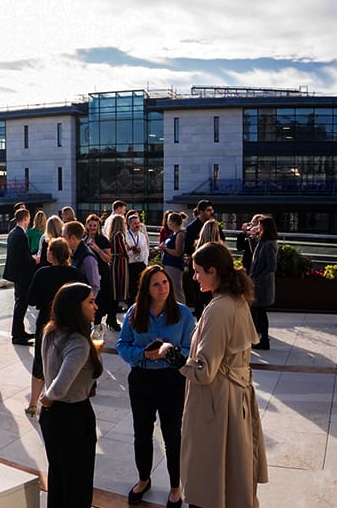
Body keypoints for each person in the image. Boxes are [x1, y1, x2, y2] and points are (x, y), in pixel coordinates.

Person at [179, 242, 268, 507]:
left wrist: (174, 357)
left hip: (217, 405)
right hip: (232, 400)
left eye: (198, 272)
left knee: (210, 477)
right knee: (232, 475)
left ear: (213, 270)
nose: (194, 277)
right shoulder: (236, 301)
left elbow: (205, 371)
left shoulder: (219, 308)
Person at [117, 265, 195, 508]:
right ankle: (143, 479)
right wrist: (144, 354)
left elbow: (189, 349)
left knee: (172, 435)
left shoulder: (182, 314)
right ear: (147, 290)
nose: (163, 288)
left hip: (171, 380)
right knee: (141, 432)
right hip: (142, 379)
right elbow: (122, 345)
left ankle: (175, 486)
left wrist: (167, 353)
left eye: (165, 282)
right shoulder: (135, 312)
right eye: (156, 284)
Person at [38, 282, 103, 508]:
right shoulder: (78, 342)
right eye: (91, 302)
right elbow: (61, 386)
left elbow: (48, 370)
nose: (96, 307)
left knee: (58, 477)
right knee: (78, 483)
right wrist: (48, 396)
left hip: (52, 418)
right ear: (76, 307)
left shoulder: (51, 330)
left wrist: (46, 400)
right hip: (73, 417)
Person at [24, 240, 82, 417]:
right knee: (66, 362)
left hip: (46, 322)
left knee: (41, 362)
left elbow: (31, 299)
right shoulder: (76, 273)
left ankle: (34, 403)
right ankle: (60, 400)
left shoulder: (42, 273)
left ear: (52, 254)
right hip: (70, 323)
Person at [6, 208, 37, 345]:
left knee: (20, 304)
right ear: (25, 218)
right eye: (29, 218)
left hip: (17, 275)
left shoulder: (13, 233)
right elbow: (24, 258)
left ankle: (20, 331)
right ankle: (18, 335)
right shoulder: (20, 235)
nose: (29, 221)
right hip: (22, 275)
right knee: (21, 305)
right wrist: (35, 259)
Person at [247, 215, 279, 350]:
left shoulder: (270, 243)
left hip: (262, 285)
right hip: (257, 283)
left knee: (260, 312)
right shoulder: (263, 241)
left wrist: (258, 279)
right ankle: (257, 339)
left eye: (260, 226)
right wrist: (251, 237)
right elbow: (255, 255)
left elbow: (272, 266)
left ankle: (264, 340)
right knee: (257, 312)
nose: (258, 228)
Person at [84, 214, 116, 329]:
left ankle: (98, 323)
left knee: (100, 299)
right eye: (90, 225)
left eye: (95, 225)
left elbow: (108, 258)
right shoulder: (84, 239)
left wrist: (97, 249)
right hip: (87, 273)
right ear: (86, 225)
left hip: (101, 272)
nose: (92, 228)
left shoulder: (102, 239)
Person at [158, 212, 187, 305]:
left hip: (174, 265)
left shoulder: (180, 234)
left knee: (176, 289)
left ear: (174, 222)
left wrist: (165, 249)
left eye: (169, 221)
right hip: (168, 264)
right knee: (171, 289)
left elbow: (178, 252)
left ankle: (182, 310)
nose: (167, 222)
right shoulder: (173, 233)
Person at [124, 212, 150, 299]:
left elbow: (146, 250)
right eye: (135, 223)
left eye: (138, 223)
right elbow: (124, 251)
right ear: (129, 224)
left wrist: (145, 264)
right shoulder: (126, 235)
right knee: (131, 289)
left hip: (141, 264)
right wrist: (132, 252)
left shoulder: (142, 235)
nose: (137, 225)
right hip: (130, 265)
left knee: (141, 288)